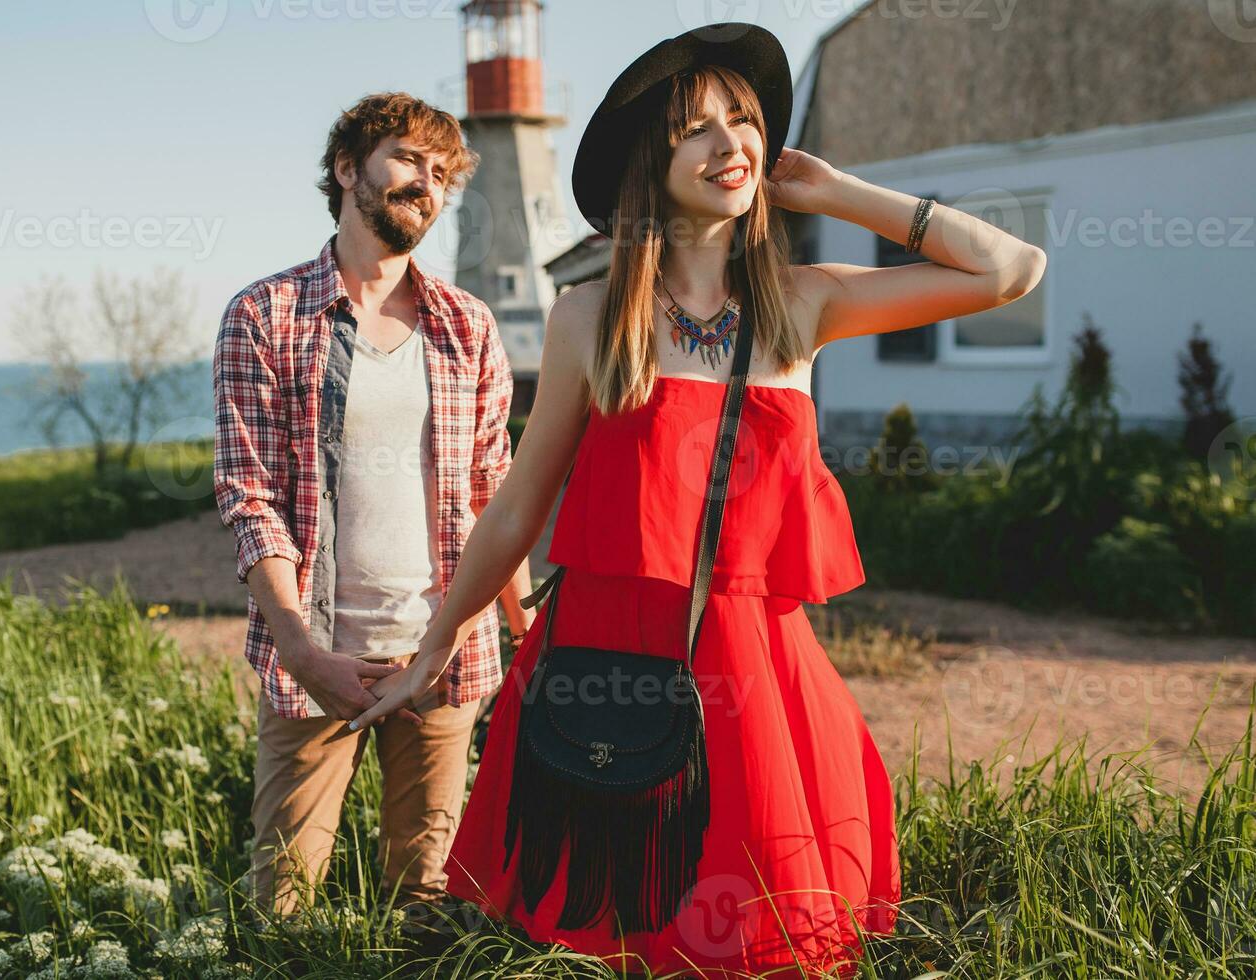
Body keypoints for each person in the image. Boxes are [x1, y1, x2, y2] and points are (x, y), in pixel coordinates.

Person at [349, 23, 1046, 978]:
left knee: (756, 925)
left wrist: (836, 190)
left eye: (745, 121)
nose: (731, 145)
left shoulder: (804, 302)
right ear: (652, 159)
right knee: (605, 933)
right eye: (696, 129)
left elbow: (1011, 271)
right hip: (602, 657)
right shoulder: (587, 317)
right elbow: (517, 506)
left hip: (750, 662)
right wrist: (436, 645)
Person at [211, 91, 537, 928]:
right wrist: (303, 652)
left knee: (429, 903)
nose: (426, 183)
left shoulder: (467, 325)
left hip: (445, 658)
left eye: (441, 173)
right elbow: (250, 498)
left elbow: (494, 491)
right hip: (316, 659)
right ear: (348, 169)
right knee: (280, 905)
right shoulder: (265, 315)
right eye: (407, 161)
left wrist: (526, 630)